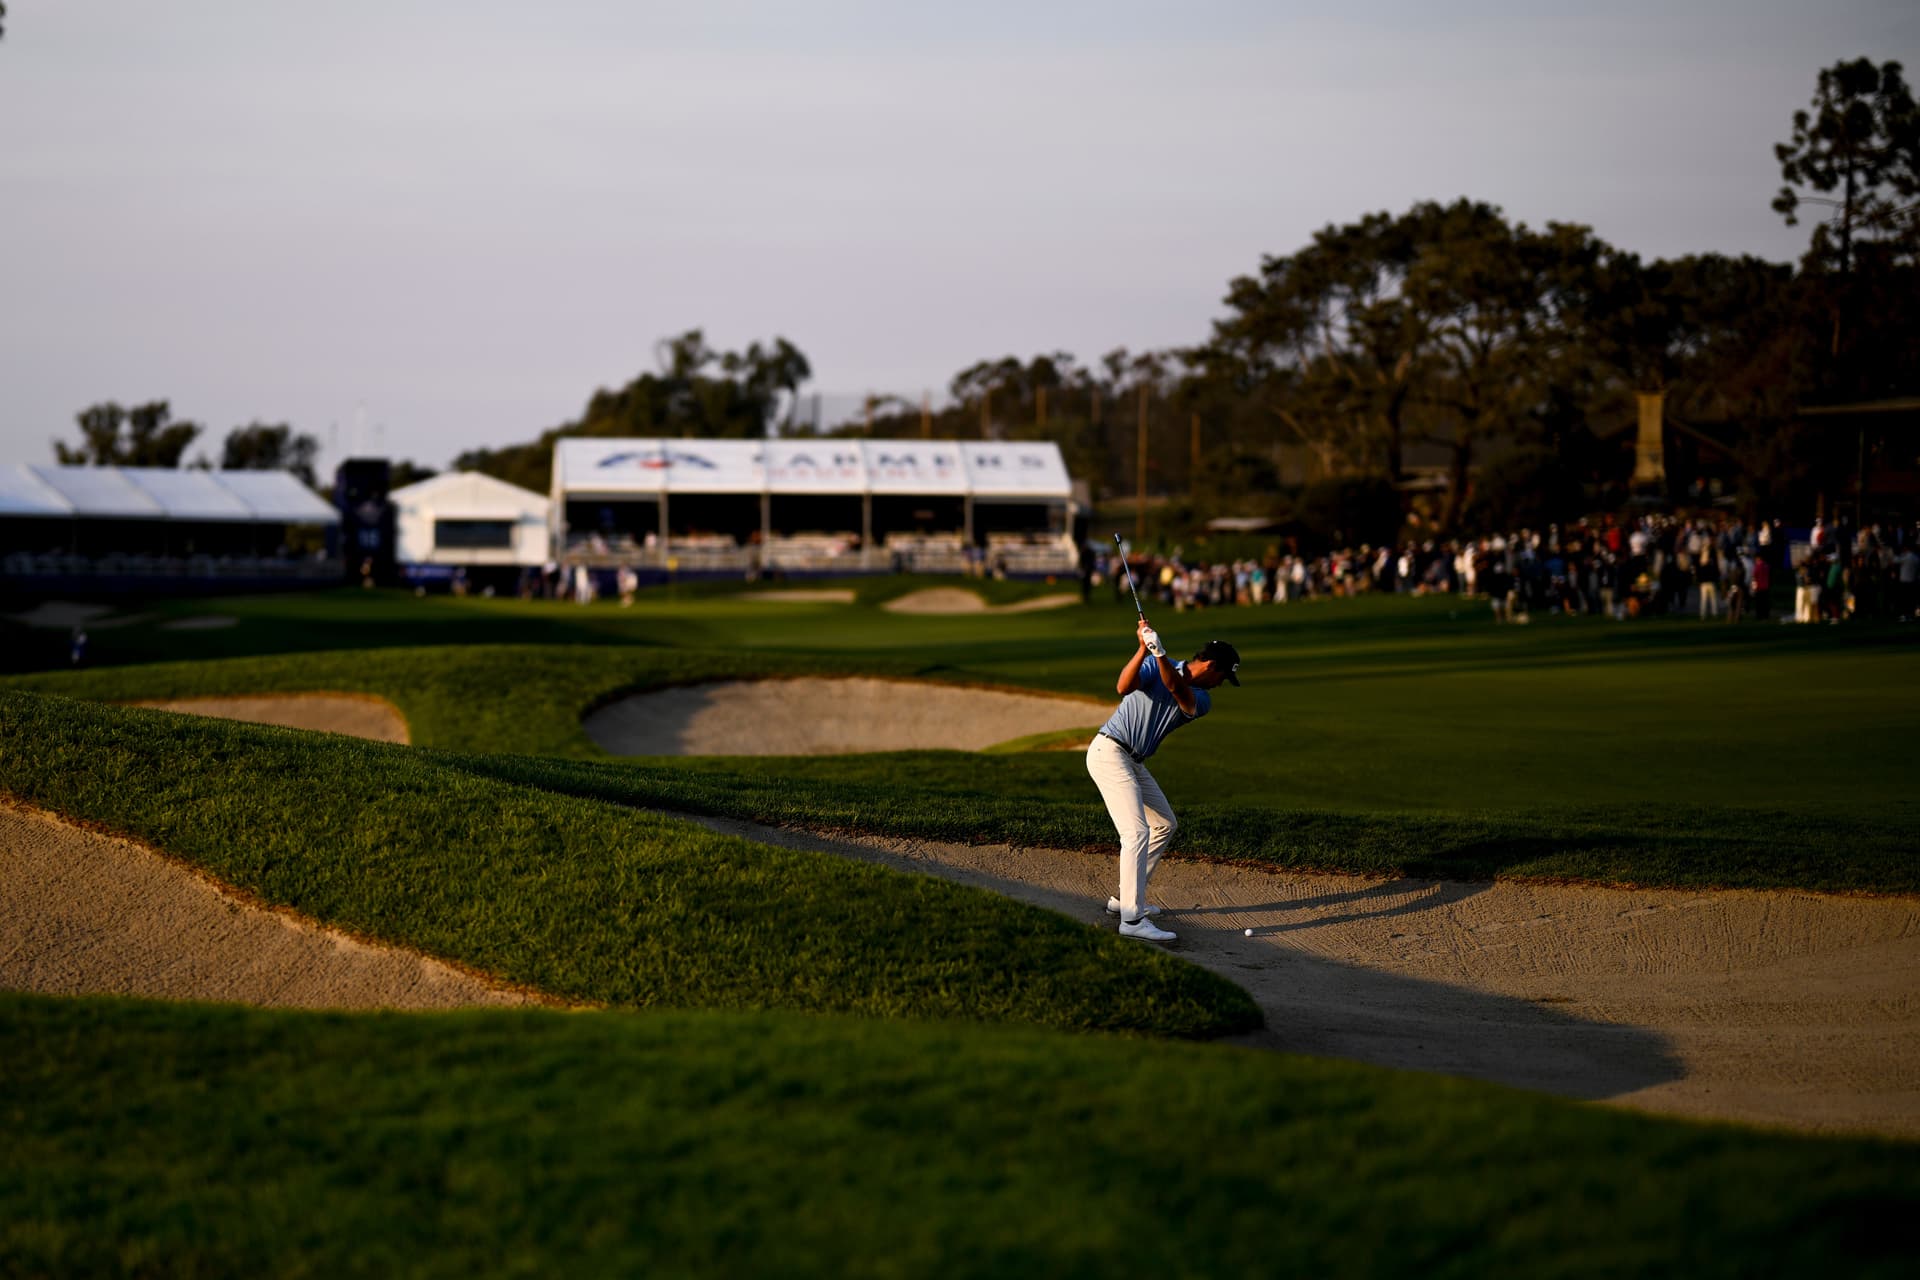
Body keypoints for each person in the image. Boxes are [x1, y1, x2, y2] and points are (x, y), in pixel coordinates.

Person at [1085, 619, 1240, 942]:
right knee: (1136, 831)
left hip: (1133, 761)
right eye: (1223, 676)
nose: (1221, 683)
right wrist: (1144, 648)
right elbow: (1123, 687)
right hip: (1110, 752)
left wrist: (1158, 653)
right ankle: (1132, 919)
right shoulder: (1158, 663)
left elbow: (1178, 691)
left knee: (1164, 824)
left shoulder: (1201, 698)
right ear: (1212, 666)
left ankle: (1124, 899)